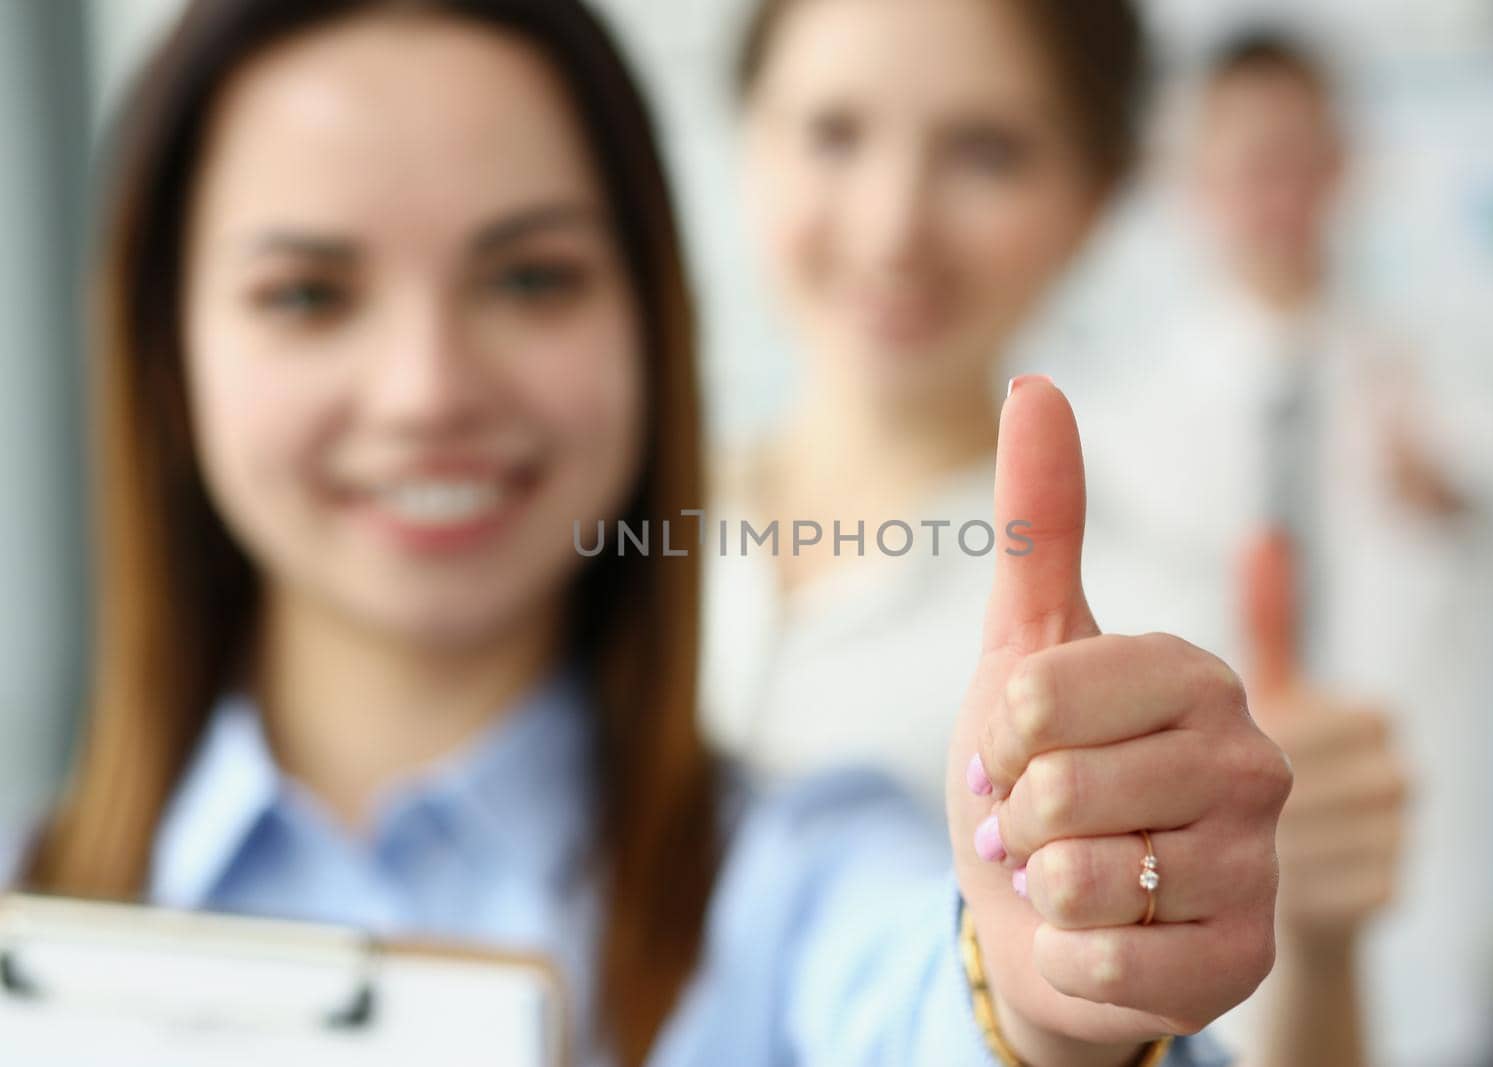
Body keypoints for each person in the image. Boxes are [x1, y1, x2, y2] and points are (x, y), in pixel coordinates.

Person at [3, 2, 1293, 1066]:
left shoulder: (795, 879)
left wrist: (1045, 1010)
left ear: (653, 322)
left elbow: (922, 992)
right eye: (306, 293)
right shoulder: (31, 885)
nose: (427, 388)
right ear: (163, 354)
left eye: (529, 276)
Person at [1076, 28, 1493, 1067]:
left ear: (1343, 166)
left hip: (1415, 922)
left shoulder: (1447, 387)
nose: (1272, 192)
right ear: (1191, 180)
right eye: (1244, 161)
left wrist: (1447, 501)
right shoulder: (1116, 423)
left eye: (1298, 155)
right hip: (1202, 932)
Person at [701, 0, 1149, 814]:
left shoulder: (1152, 638)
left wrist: (1316, 930)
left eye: (985, 153)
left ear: (1097, 195)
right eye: (834, 132)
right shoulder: (591, 531)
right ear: (749, 140)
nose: (892, 229)